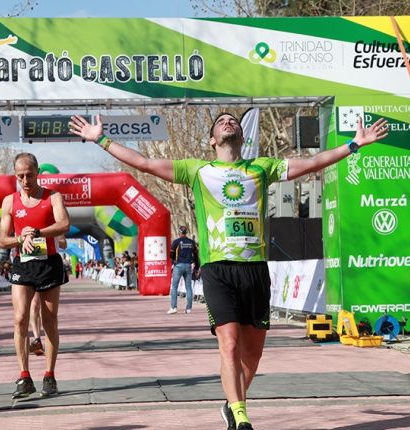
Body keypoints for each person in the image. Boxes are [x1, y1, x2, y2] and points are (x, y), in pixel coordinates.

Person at [70, 112, 388, 430]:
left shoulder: (262, 169)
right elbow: (145, 164)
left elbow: (313, 163)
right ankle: (241, 415)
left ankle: (231, 403)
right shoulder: (197, 170)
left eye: (232, 120)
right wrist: (101, 139)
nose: (228, 122)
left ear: (241, 136)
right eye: (221, 121)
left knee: (252, 354)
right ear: (212, 139)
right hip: (217, 269)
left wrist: (354, 145)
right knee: (230, 343)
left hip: (254, 269)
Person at [0, 153, 69, 399]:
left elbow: (64, 224)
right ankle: (24, 376)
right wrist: (21, 238)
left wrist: (37, 232)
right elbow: (3, 240)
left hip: (49, 263)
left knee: (49, 320)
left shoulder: (53, 197)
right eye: (20, 176)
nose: (25, 180)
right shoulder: (10, 201)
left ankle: (49, 375)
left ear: (38, 172)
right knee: (19, 318)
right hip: (23, 264)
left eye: (29, 175)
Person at [30, 235, 68, 357]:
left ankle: (50, 341)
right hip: (31, 265)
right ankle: (37, 339)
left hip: (49, 266)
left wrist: (48, 238)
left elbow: (63, 243)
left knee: (50, 313)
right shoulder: (26, 225)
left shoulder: (54, 222)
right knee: (34, 305)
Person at [168, 225, 198, 315]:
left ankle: (173, 307)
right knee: (188, 287)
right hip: (188, 265)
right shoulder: (192, 242)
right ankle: (189, 309)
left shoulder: (176, 242)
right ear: (186, 232)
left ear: (179, 232)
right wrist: (196, 268)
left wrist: (174, 261)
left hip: (179, 265)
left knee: (174, 287)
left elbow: (171, 254)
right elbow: (196, 256)